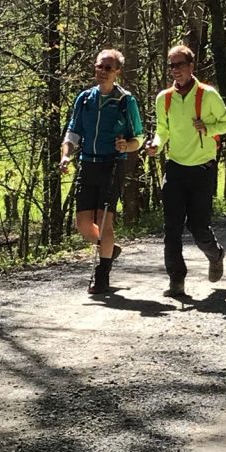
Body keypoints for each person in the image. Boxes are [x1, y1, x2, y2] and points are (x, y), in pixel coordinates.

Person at [146, 44, 226, 298]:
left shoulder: (207, 95)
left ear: (191, 66)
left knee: (198, 228)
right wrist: (156, 144)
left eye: (180, 64)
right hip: (175, 168)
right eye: (171, 65)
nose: (175, 70)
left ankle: (215, 254)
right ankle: (176, 279)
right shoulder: (163, 98)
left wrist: (207, 128)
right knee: (171, 227)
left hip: (202, 170)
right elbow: (162, 129)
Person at [60, 49, 144, 294]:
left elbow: (138, 137)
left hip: (112, 164)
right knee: (84, 225)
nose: (103, 71)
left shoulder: (125, 100)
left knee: (104, 219)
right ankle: (109, 247)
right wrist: (66, 154)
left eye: (109, 68)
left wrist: (126, 145)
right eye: (100, 66)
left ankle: (102, 276)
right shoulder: (84, 98)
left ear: (117, 71)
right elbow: (72, 132)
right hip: (88, 163)